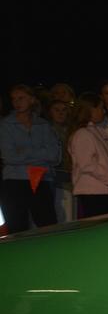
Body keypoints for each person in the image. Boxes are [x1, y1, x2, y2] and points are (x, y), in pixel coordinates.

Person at [0, 84, 61, 232]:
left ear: (32, 100)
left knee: (48, 226)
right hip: (14, 182)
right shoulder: (6, 125)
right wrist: (40, 153)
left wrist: (24, 152)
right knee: (17, 227)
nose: (17, 102)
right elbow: (9, 157)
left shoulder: (43, 125)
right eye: (14, 99)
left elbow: (54, 156)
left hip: (42, 179)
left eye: (21, 98)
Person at [68, 92, 108, 218]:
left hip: (105, 190)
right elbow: (87, 165)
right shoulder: (82, 134)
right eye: (100, 107)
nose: (103, 111)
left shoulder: (98, 131)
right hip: (94, 192)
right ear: (90, 109)